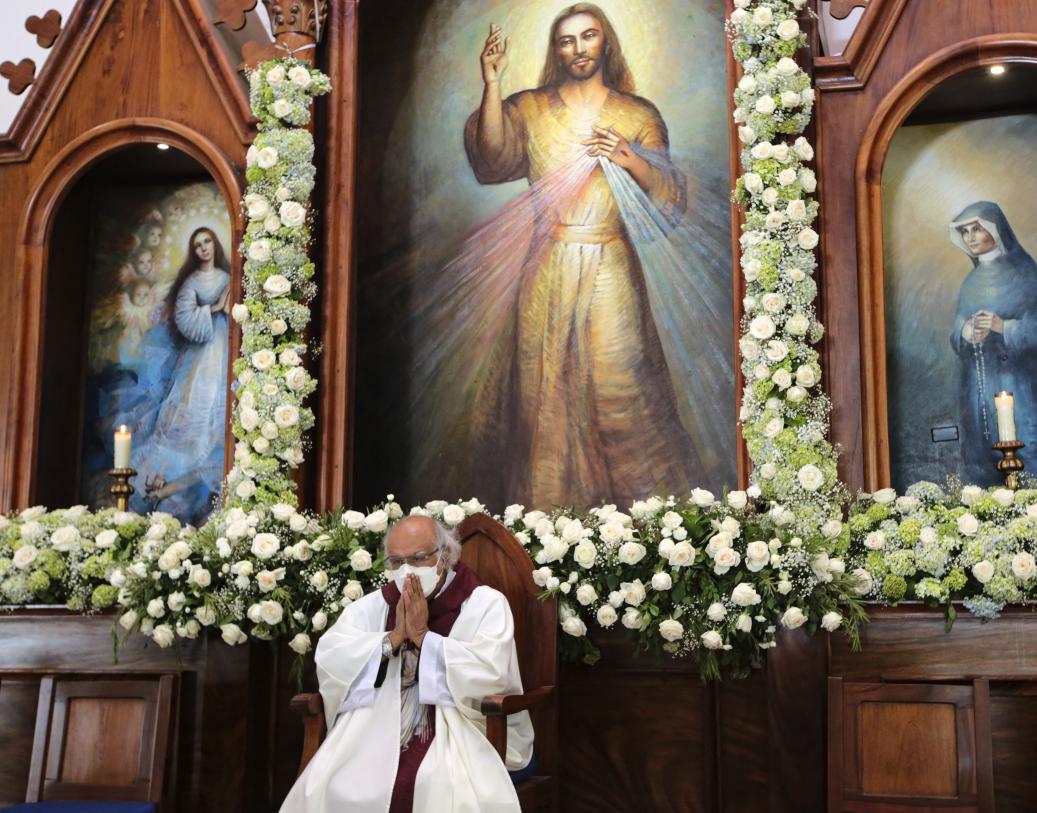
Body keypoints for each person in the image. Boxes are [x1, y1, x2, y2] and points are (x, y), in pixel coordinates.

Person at [460, 3, 703, 509]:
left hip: (610, 263)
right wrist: (492, 84)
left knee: (623, 390)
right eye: (567, 41)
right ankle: (551, 523)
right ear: (556, 51)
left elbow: (669, 200)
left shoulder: (637, 115)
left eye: (588, 37)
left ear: (605, 42)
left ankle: (646, 528)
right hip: (546, 264)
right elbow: (492, 160)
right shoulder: (528, 107)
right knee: (542, 395)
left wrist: (628, 157)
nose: (578, 49)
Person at [281, 516, 534, 813]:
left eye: (418, 558)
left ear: (445, 555)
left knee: (433, 785)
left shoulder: (485, 603)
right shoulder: (374, 606)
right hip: (375, 725)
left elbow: (492, 674)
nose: (407, 571)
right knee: (337, 783)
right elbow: (332, 657)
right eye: (397, 562)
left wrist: (425, 639)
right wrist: (392, 639)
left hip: (458, 729)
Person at [948, 201, 1037, 483]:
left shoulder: (1026, 274)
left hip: (1024, 387)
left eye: (977, 229)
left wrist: (1002, 327)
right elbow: (958, 328)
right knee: (985, 457)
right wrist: (967, 332)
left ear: (996, 231)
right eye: (964, 231)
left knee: (1031, 451)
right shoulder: (970, 282)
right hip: (982, 386)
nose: (970, 237)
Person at [128, 227, 230, 523]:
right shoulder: (192, 282)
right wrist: (213, 308)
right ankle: (165, 480)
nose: (204, 249)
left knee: (218, 410)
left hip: (226, 350)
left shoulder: (227, 278)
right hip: (201, 354)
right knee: (186, 410)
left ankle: (205, 467)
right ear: (193, 251)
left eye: (208, 242)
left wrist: (228, 308)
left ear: (215, 244)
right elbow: (185, 318)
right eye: (198, 245)